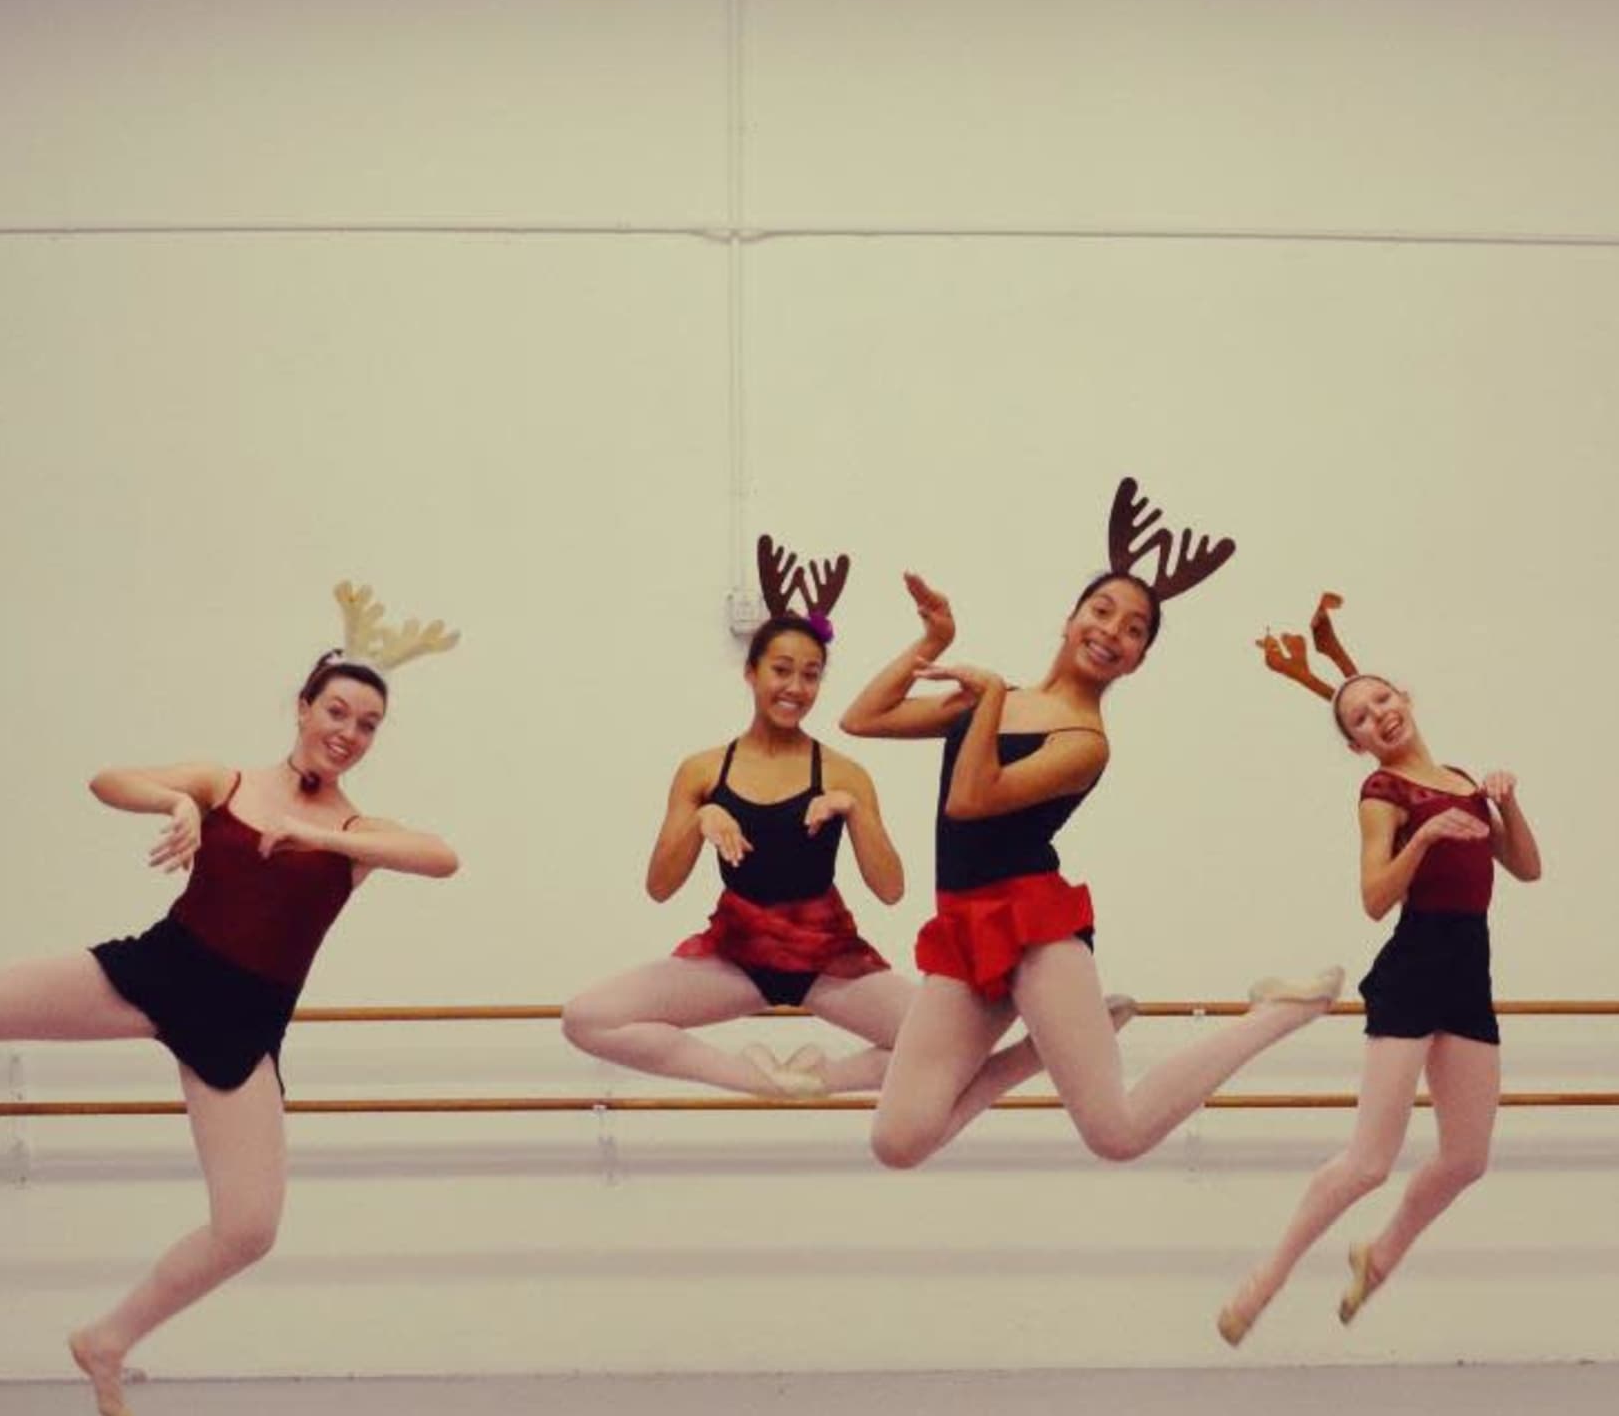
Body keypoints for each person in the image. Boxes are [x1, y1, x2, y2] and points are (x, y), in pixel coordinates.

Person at [0, 584, 464, 1416]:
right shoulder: (226, 780)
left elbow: (441, 856)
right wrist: (176, 803)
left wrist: (327, 838)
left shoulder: (358, 833)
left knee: (248, 1229)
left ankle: (107, 1340)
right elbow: (107, 779)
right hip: (161, 970)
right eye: (336, 712)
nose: (347, 734)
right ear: (304, 707)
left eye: (367, 725)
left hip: (241, 1024)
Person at [840, 477, 1338, 1171]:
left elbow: (971, 799)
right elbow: (861, 718)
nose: (1112, 631)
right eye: (1101, 612)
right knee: (897, 1141)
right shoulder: (998, 698)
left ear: (1138, 660)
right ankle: (1031, 1057)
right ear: (1070, 619)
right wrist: (934, 638)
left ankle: (1278, 1013)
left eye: (1133, 630)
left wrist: (983, 700)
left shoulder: (1084, 741)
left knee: (1118, 1133)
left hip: (1035, 929)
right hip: (963, 926)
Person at [1219, 594, 1543, 1342]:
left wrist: (1507, 805)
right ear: (1358, 744)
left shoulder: (1461, 777)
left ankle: (1382, 1250)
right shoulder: (1381, 792)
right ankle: (1267, 1276)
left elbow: (1525, 868)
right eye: (1361, 718)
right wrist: (1424, 839)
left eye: (1383, 699)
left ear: (1406, 698)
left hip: (1469, 973)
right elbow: (1373, 898)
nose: (1378, 716)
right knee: (1370, 1160)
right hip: (1412, 968)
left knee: (1466, 1158)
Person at [560, 540, 912, 1100]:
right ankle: (754, 1079)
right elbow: (659, 886)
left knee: (958, 1041)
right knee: (586, 1018)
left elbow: (892, 890)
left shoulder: (844, 772)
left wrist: (854, 810)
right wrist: (702, 815)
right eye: (781, 670)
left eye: (811, 675)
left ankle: (820, 1079)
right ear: (751, 673)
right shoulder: (702, 770)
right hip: (735, 955)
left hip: (827, 959)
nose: (795, 688)